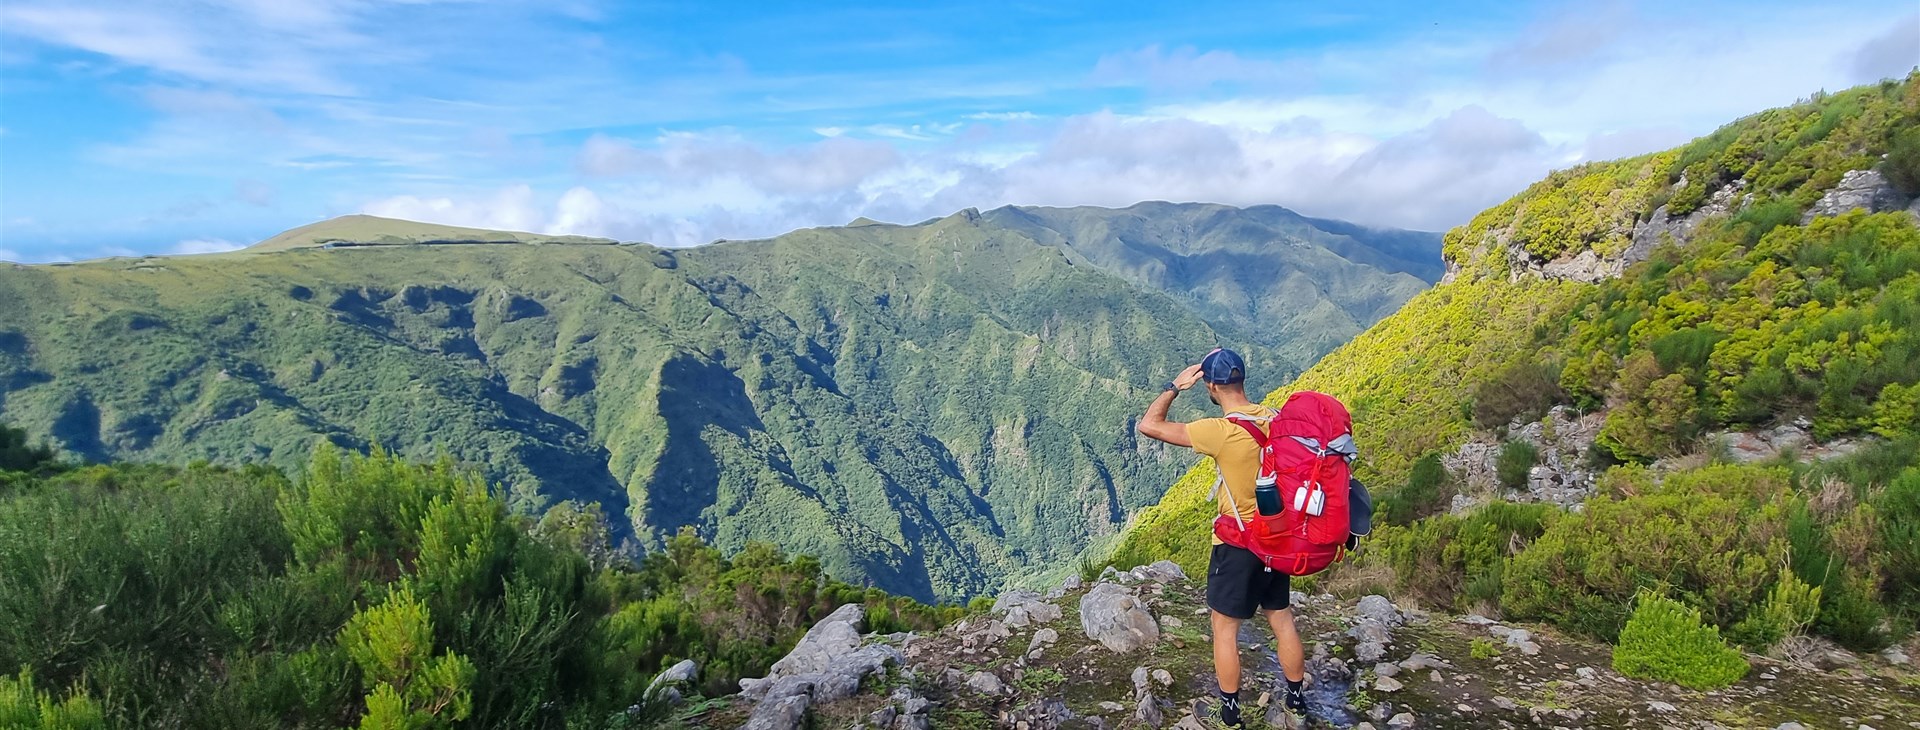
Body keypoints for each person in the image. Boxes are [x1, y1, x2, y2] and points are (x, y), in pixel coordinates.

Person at [1136, 348, 1307, 729]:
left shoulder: (1221, 430)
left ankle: (1229, 714)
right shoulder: (1274, 418)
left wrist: (1174, 387)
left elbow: (1149, 424)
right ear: (1243, 379)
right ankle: (1296, 701)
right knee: (1281, 618)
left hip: (1239, 544)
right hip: (1278, 539)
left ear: (1212, 386)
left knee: (1224, 629)